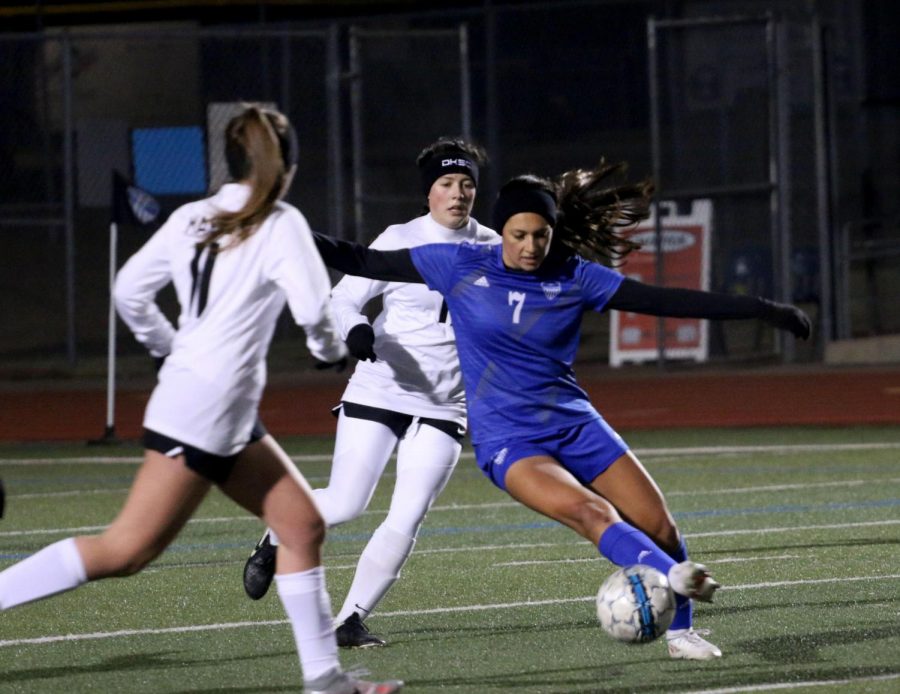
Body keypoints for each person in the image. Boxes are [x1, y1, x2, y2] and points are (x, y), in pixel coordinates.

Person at [310, 160, 812, 661]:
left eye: (541, 235)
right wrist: (281, 233)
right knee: (591, 512)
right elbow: (359, 259)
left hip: (575, 423)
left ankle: (681, 634)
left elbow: (664, 300)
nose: (530, 247)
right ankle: (679, 579)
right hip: (510, 440)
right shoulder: (457, 264)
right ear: (500, 231)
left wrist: (762, 310)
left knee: (660, 527)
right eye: (518, 235)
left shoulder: (576, 277)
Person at [0, 104, 402, 694]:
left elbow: (129, 289)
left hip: (215, 407)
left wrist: (168, 349)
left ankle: (325, 680)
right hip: (207, 413)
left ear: (229, 161)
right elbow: (314, 313)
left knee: (300, 525)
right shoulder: (281, 221)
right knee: (125, 550)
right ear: (285, 166)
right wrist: (324, 348)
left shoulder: (194, 215)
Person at [242, 137, 498, 649]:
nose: (457, 193)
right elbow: (344, 296)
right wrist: (356, 330)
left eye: (466, 184)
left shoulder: (494, 246)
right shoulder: (400, 237)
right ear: (428, 192)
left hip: (447, 403)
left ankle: (350, 619)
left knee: (408, 514)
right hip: (382, 386)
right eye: (446, 183)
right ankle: (276, 534)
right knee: (346, 502)